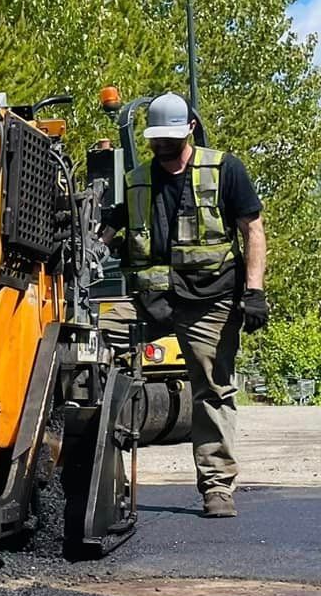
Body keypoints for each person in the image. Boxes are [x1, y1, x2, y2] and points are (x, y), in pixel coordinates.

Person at [109, 91, 267, 517]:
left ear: (190, 130)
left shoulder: (224, 170)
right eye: (156, 139)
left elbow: (253, 230)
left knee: (212, 388)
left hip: (210, 300)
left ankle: (217, 487)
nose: (162, 146)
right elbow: (108, 233)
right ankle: (99, 477)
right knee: (85, 352)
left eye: (170, 138)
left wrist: (254, 292)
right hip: (149, 302)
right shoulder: (137, 182)